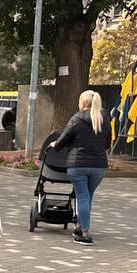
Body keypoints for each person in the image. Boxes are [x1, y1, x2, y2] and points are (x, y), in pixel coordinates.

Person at [50, 90, 110, 245]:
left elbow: (62, 140)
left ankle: (84, 233)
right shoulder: (104, 118)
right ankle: (80, 225)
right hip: (99, 166)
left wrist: (54, 144)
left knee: (82, 196)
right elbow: (107, 143)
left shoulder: (76, 119)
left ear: (82, 103)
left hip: (78, 165)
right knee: (87, 196)